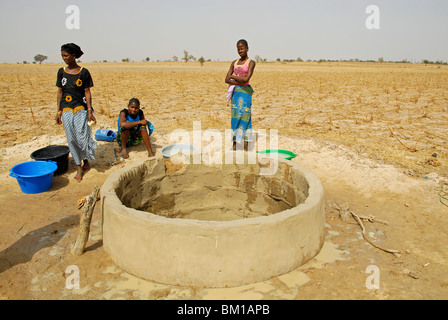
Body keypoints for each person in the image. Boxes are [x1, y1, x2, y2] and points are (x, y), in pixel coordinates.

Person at [55, 43, 97, 182]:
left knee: (82, 137)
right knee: (71, 138)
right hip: (66, 109)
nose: (64, 58)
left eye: (66, 55)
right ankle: (79, 166)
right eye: (62, 56)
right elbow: (60, 92)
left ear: (74, 55)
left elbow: (87, 92)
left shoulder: (83, 72)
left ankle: (86, 161)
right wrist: (58, 111)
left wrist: (90, 110)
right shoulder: (61, 72)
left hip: (81, 109)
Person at [225, 39, 256, 151]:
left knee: (246, 118)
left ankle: (246, 147)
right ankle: (234, 146)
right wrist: (240, 81)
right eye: (238, 49)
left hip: (246, 94)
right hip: (236, 94)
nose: (240, 51)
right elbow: (226, 79)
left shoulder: (251, 63)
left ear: (247, 48)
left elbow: (247, 79)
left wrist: (233, 77)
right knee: (235, 119)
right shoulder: (234, 62)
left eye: (242, 48)